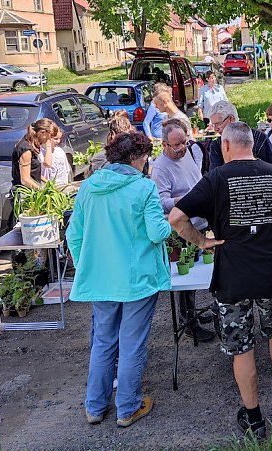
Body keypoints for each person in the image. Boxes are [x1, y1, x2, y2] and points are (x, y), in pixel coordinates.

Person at [169, 122, 272, 440]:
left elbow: (176, 218)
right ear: (252, 144)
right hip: (270, 269)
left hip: (232, 276)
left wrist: (201, 242)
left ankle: (254, 417)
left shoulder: (216, 177)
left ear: (226, 145)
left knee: (242, 347)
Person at [66, 131, 172, 428]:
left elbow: (74, 235)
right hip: (137, 279)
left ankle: (95, 407)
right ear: (137, 158)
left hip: (100, 279)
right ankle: (127, 407)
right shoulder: (144, 188)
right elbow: (157, 233)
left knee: (103, 342)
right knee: (131, 344)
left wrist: (87, 264)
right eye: (145, 158)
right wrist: (172, 223)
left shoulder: (88, 187)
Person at [150, 119, 215, 342]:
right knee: (186, 277)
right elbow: (160, 202)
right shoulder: (160, 168)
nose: (181, 149)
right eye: (175, 145)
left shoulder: (185, 153)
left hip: (201, 221)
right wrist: (186, 199)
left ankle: (196, 312)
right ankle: (189, 322)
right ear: (164, 145)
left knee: (202, 270)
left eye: (184, 144)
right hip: (182, 227)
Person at [207, 101, 272, 171]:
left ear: (231, 119)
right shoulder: (216, 145)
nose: (216, 129)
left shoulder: (259, 138)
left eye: (218, 124)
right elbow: (213, 176)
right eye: (213, 125)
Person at [12, 119, 56, 189]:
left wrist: (47, 182)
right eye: (49, 136)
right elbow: (25, 180)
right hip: (25, 193)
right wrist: (42, 191)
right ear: (43, 132)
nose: (49, 140)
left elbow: (32, 172)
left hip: (34, 188)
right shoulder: (26, 150)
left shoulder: (33, 145)